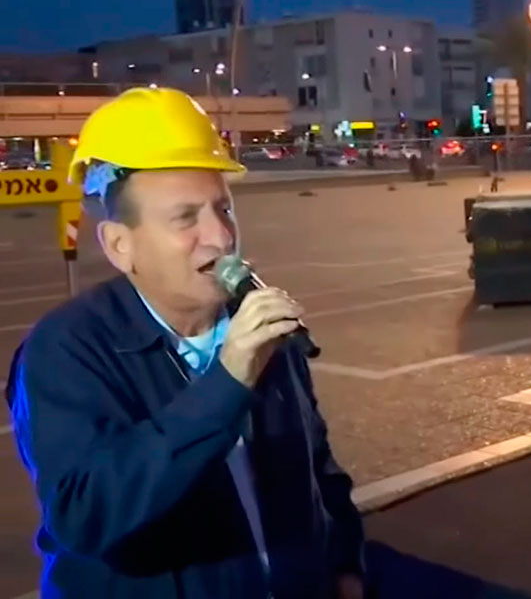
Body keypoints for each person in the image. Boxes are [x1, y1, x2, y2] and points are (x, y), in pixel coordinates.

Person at [5, 88, 366, 599]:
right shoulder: (64, 351)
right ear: (119, 246)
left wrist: (346, 567)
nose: (221, 237)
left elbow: (318, 469)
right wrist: (227, 382)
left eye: (224, 209)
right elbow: (85, 516)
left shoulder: (261, 330)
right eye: (185, 218)